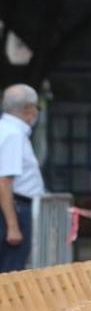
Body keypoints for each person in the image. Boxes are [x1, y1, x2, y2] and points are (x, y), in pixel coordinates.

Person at [0, 85, 46, 273]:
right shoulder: (13, 135)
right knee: (11, 274)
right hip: (15, 210)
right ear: (28, 109)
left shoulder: (6, 130)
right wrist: (13, 226)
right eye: (37, 107)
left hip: (12, 208)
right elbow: (3, 182)